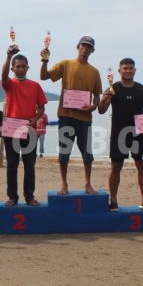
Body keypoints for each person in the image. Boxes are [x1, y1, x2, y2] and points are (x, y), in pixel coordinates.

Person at [40, 35, 102, 195]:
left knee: (87, 154)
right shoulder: (66, 64)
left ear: (92, 50)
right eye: (83, 45)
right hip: (66, 116)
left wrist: (93, 107)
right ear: (78, 46)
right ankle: (64, 184)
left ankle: (88, 184)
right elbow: (44, 76)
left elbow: (97, 96)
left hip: (84, 118)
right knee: (64, 152)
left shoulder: (94, 72)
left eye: (89, 47)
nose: (85, 49)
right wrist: (45, 60)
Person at [98, 58, 143, 210]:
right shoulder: (113, 88)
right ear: (119, 71)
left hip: (139, 133)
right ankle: (113, 200)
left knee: (142, 167)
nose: (128, 71)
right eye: (125, 68)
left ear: (135, 70)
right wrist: (106, 97)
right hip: (119, 133)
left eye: (131, 68)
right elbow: (101, 110)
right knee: (116, 167)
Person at [2, 50, 47, 206]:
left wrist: (34, 120)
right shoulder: (9, 84)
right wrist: (8, 57)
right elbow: (3, 75)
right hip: (11, 130)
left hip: (29, 130)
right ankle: (12, 197)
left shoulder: (35, 86)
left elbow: (41, 109)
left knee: (30, 165)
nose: (21, 69)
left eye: (23, 66)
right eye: (18, 66)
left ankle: (29, 196)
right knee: (12, 166)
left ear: (28, 68)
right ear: (13, 68)